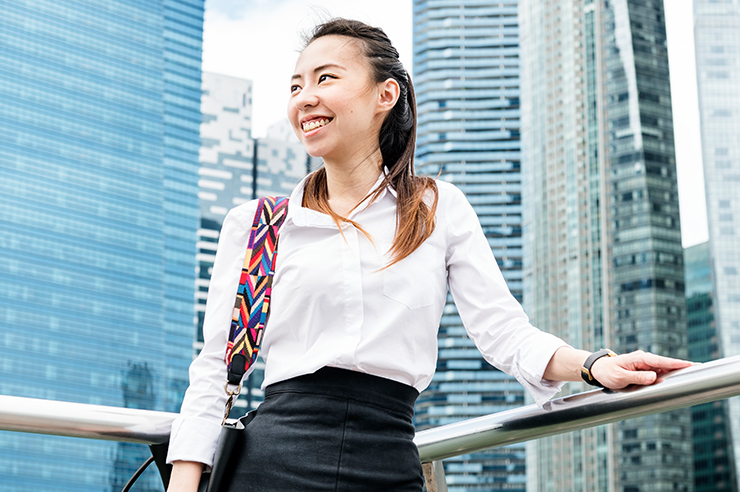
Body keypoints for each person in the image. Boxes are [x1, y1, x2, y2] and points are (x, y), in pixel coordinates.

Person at [165, 18, 692, 492]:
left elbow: (504, 333)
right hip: (272, 463)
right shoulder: (259, 226)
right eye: (296, 86)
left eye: (326, 79)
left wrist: (596, 365)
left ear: (385, 94)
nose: (304, 98)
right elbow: (213, 369)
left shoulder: (435, 208)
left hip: (390, 459)